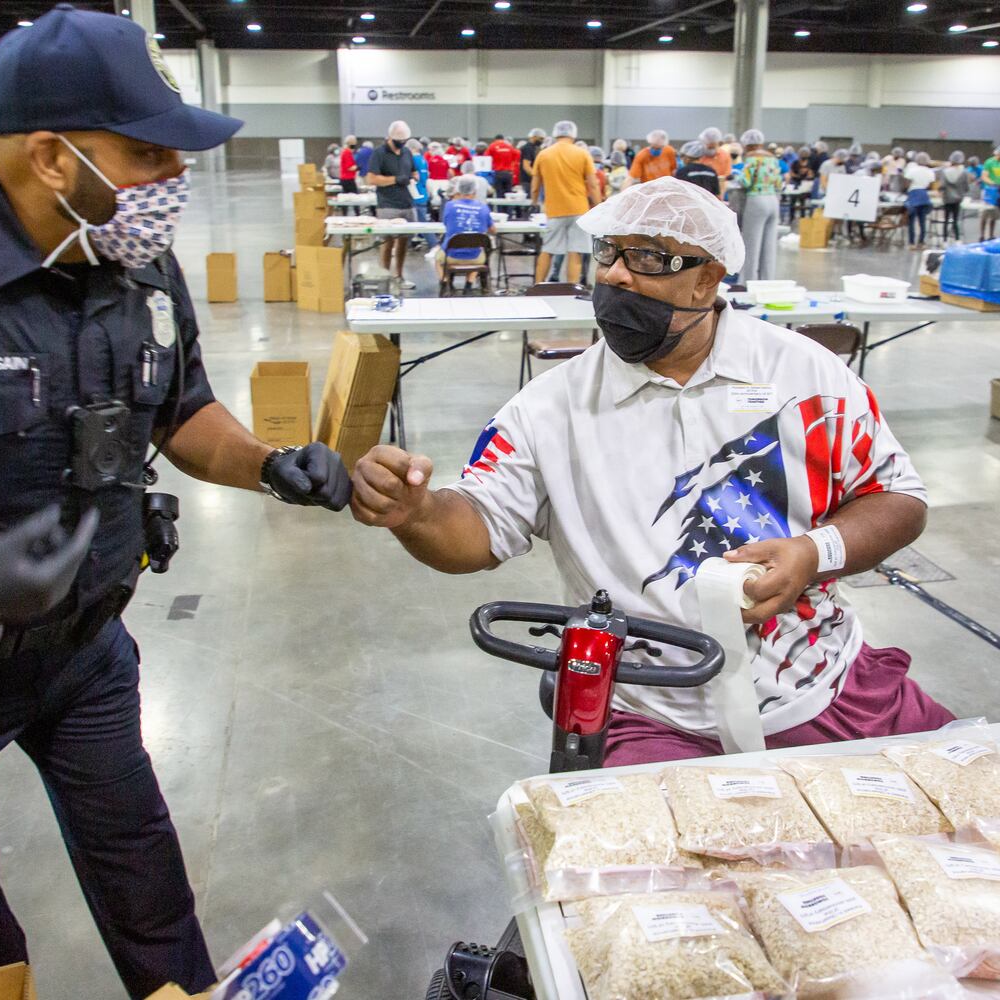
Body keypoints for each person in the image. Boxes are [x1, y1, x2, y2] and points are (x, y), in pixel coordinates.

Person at [0, 8, 354, 999]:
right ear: (50, 156)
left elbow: (182, 410)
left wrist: (267, 464)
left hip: (84, 656)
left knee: (151, 890)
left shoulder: (135, 261)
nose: (172, 180)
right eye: (145, 154)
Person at [348, 175, 952, 766]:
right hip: (648, 708)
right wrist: (417, 512)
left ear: (708, 280)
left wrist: (813, 553)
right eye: (607, 251)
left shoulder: (805, 377)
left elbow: (897, 497)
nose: (613, 273)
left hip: (820, 682)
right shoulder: (550, 407)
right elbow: (475, 534)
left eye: (648, 258)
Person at [530, 119, 599, 284]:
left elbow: (535, 186)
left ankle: (538, 286)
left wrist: (534, 202)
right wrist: (598, 206)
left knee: (548, 250)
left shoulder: (544, 154)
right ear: (573, 134)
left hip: (554, 211)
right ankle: (571, 290)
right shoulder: (582, 154)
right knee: (575, 252)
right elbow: (593, 184)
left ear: (555, 133)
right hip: (578, 210)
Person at [365, 119, 421, 289]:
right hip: (388, 204)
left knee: (404, 242)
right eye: (399, 141)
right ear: (390, 137)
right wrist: (395, 179)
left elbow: (413, 170)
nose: (402, 144)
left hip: (407, 203)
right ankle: (384, 277)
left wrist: (414, 176)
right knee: (387, 242)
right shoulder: (379, 153)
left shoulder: (406, 153)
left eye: (404, 141)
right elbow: (371, 179)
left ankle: (399, 275)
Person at [434, 175, 494, 291]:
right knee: (479, 252)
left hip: (450, 256)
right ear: (475, 191)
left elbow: (446, 223)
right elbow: (492, 229)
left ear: (458, 189)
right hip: (475, 257)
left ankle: (445, 282)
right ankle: (469, 284)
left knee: (437, 259)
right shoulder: (483, 207)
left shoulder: (450, 205)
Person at [737, 129, 782, 283]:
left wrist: (737, 176)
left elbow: (746, 182)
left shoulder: (751, 158)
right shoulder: (773, 159)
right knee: (769, 247)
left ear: (747, 145)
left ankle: (747, 282)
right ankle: (767, 281)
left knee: (751, 245)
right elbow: (779, 183)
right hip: (773, 201)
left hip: (757, 201)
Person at [406, 138, 437, 250]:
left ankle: (434, 245)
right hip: (422, 193)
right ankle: (408, 243)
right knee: (418, 221)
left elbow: (412, 178)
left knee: (422, 223)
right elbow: (425, 178)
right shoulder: (423, 160)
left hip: (414, 194)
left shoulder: (412, 160)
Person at [903, 151, 937, 250]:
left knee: (911, 221)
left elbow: (906, 184)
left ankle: (911, 243)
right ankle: (921, 242)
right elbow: (931, 186)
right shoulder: (930, 171)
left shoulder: (912, 170)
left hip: (913, 194)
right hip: (924, 196)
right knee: (922, 222)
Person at [981, 145, 1000, 241]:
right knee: (985, 213)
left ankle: (991, 235)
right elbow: (984, 176)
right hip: (989, 190)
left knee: (994, 215)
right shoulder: (989, 162)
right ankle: (982, 235)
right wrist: (993, 183)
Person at [937, 150, 968, 242]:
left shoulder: (945, 172)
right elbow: (966, 187)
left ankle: (944, 239)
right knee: (955, 219)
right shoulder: (964, 172)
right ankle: (957, 239)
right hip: (958, 199)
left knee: (946, 219)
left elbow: (942, 186)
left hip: (947, 198)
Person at [488, 133, 519, 198]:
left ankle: (500, 208)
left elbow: (486, 159)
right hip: (508, 173)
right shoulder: (509, 146)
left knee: (499, 194)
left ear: (495, 140)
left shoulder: (492, 146)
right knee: (509, 195)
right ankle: (509, 208)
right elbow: (517, 155)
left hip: (498, 173)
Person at [519, 128, 546, 195]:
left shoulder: (534, 148)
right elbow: (526, 166)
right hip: (527, 181)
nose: (542, 141)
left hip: (531, 180)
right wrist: (536, 177)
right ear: (534, 137)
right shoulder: (528, 148)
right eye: (541, 139)